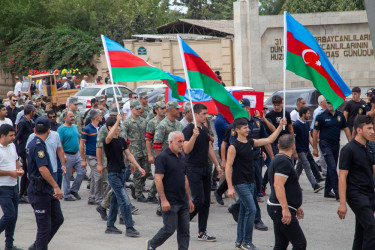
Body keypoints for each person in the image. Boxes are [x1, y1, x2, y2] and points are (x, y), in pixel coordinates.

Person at [226, 117, 286, 250]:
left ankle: (239, 241)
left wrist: (280, 126)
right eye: (245, 128)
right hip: (240, 183)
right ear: (237, 130)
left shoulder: (250, 142)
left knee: (243, 211)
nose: (248, 129)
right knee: (252, 209)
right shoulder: (233, 147)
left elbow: (269, 140)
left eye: (248, 127)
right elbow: (228, 167)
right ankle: (247, 242)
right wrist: (230, 187)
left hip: (250, 182)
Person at [147, 131, 195, 250]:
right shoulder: (162, 157)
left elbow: (185, 179)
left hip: (183, 200)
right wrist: (163, 200)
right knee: (169, 229)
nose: (182, 144)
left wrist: (189, 199)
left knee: (184, 231)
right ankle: (152, 244)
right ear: (171, 142)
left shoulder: (182, 156)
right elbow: (158, 180)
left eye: (183, 141)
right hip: (170, 200)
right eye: (179, 141)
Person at [183, 103, 222, 242]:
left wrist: (217, 165)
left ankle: (202, 231)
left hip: (205, 167)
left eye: (206, 114)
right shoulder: (188, 130)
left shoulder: (205, 129)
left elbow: (209, 148)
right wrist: (194, 136)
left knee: (206, 202)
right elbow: (186, 149)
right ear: (196, 114)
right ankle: (182, 222)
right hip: (193, 168)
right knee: (198, 200)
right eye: (204, 114)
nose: (206, 116)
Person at [337, 115, 375, 249]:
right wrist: (342, 203)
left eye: (373, 128)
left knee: (362, 230)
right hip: (356, 195)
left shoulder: (368, 148)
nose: (373, 131)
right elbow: (342, 177)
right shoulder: (348, 150)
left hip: (369, 194)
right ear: (359, 130)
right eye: (369, 128)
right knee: (371, 227)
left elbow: (372, 170)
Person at [103, 115, 145, 237]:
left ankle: (110, 226)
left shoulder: (121, 140)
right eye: (117, 126)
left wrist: (138, 167)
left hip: (121, 173)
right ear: (110, 127)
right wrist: (117, 120)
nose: (119, 128)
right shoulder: (107, 141)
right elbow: (109, 136)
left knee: (115, 200)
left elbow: (129, 155)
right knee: (124, 201)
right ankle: (129, 227)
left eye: (119, 125)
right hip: (113, 174)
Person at [26, 117, 64, 250]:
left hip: (45, 188)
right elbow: (42, 169)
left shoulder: (35, 142)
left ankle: (37, 246)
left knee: (58, 219)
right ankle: (39, 247)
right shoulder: (37, 145)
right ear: (49, 130)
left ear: (35, 130)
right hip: (40, 189)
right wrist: (56, 186)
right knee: (44, 227)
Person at [267, 134, 306, 250]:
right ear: (293, 147)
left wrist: (295, 206)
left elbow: (288, 186)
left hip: (279, 207)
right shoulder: (282, 161)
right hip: (280, 208)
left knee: (281, 244)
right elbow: (278, 185)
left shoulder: (280, 160)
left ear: (278, 146)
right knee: (300, 243)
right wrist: (285, 209)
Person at [313, 100, 351, 200]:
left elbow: (346, 128)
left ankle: (327, 191)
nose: (330, 105)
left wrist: (351, 143)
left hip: (336, 144)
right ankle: (338, 192)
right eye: (328, 103)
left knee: (331, 166)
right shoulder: (321, 116)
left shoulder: (340, 115)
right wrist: (315, 148)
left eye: (331, 103)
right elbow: (315, 131)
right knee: (332, 166)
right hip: (325, 144)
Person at [0, 124, 24, 250]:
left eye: (14, 134)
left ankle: (9, 245)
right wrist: (10, 173)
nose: (14, 137)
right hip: (2, 187)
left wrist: (19, 169)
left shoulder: (12, 146)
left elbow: (15, 161)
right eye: (11, 135)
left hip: (14, 185)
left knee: (14, 217)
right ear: (2, 136)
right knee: (9, 215)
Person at [121, 99, 149, 202]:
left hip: (144, 150)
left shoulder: (144, 121)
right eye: (136, 108)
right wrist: (128, 155)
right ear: (131, 109)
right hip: (133, 151)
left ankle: (135, 186)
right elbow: (124, 139)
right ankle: (138, 194)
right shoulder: (126, 123)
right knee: (137, 173)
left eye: (139, 108)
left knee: (147, 171)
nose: (138, 110)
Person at [293, 106, 324, 192]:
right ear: (303, 114)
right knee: (307, 166)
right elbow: (293, 139)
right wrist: (295, 151)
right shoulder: (296, 125)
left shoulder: (306, 123)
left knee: (299, 169)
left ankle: (292, 184)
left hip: (306, 149)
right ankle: (315, 185)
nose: (309, 115)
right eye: (308, 113)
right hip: (300, 150)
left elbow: (309, 137)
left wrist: (314, 148)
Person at [57, 111, 86, 201]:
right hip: (67, 154)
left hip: (76, 154)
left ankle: (74, 190)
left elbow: (79, 139)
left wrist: (82, 154)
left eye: (73, 116)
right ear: (65, 118)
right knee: (67, 176)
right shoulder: (61, 129)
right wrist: (63, 155)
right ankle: (66, 194)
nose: (73, 118)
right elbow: (59, 143)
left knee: (82, 172)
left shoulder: (75, 127)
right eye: (70, 116)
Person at [80, 109, 104, 205]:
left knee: (95, 176)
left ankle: (92, 197)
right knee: (99, 176)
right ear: (95, 117)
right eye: (100, 115)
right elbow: (81, 144)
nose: (102, 116)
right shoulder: (87, 129)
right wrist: (83, 159)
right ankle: (99, 198)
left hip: (100, 156)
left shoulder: (102, 128)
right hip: (91, 156)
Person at [145, 101, 167, 203]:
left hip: (167, 152)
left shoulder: (167, 121)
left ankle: (152, 194)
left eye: (164, 108)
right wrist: (150, 154)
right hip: (157, 152)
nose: (163, 110)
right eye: (161, 109)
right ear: (156, 110)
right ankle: (154, 194)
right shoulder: (152, 122)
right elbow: (148, 139)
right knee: (159, 173)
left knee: (162, 174)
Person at [15, 104, 36, 203]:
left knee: (29, 170)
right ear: (31, 112)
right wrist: (17, 151)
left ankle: (26, 192)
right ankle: (21, 194)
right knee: (25, 171)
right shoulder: (23, 122)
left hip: (28, 149)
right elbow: (17, 136)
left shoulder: (30, 122)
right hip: (23, 151)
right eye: (34, 111)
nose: (35, 113)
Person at [310, 95, 328, 176]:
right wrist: (316, 136)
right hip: (320, 134)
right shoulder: (318, 111)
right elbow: (315, 126)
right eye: (325, 100)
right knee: (322, 153)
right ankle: (324, 171)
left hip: (325, 134)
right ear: (321, 102)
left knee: (324, 153)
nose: (327, 101)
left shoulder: (326, 110)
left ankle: (317, 164)